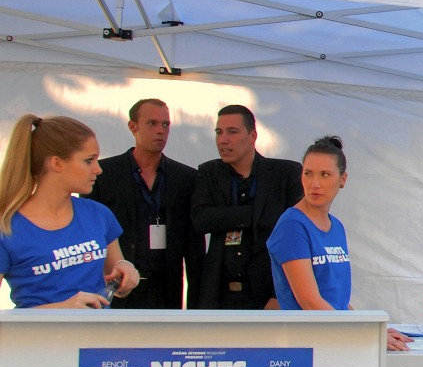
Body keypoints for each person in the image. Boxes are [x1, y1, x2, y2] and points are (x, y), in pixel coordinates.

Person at [267, 135, 408, 351]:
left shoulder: (336, 226)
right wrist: (364, 335)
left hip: (336, 339)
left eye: (325, 175)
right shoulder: (292, 225)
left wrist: (371, 329)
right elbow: (310, 302)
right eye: (308, 173)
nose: (314, 183)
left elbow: (338, 301)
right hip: (308, 346)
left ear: (343, 179)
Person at [0, 114, 139, 308]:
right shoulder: (7, 227)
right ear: (56, 163)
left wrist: (126, 271)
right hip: (40, 329)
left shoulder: (98, 214)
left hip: (100, 327)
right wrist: (63, 309)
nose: (98, 169)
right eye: (89, 160)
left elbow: (118, 286)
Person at [84, 99, 200, 310]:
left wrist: (196, 306)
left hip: (166, 289)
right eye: (152, 123)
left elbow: (194, 246)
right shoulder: (103, 174)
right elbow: (88, 233)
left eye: (165, 124)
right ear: (133, 126)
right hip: (116, 284)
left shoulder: (186, 178)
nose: (160, 130)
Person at [192, 105, 303, 309]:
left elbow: (296, 237)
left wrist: (278, 294)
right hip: (219, 295)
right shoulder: (209, 173)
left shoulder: (285, 173)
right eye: (219, 132)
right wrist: (256, 214)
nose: (223, 140)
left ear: (252, 136)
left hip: (268, 294)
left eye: (232, 132)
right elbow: (200, 219)